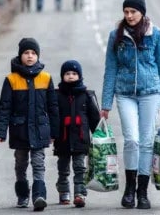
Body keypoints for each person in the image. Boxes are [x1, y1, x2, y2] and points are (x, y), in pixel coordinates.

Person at [100, 0, 160, 210]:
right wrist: (105, 104)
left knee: (147, 141)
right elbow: (110, 69)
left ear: (142, 12)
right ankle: (129, 189)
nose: (129, 15)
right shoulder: (116, 36)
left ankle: (143, 192)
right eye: (126, 11)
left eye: (133, 11)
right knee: (131, 140)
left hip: (151, 93)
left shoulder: (157, 35)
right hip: (125, 94)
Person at [0, 37, 60, 211]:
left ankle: (39, 195)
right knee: (21, 163)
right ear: (20, 55)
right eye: (26, 53)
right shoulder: (11, 79)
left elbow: (53, 107)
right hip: (19, 130)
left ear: (37, 56)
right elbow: (4, 107)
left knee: (38, 163)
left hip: (39, 130)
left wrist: (54, 131)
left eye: (33, 53)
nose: (30, 56)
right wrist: (0, 133)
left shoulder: (46, 78)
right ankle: (22, 195)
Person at [53, 60, 100, 208]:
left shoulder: (86, 95)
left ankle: (80, 194)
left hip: (80, 140)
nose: (71, 76)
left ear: (79, 76)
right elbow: (52, 117)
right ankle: (63, 191)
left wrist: (98, 135)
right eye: (67, 74)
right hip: (63, 139)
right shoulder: (57, 95)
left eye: (74, 73)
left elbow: (94, 118)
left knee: (80, 168)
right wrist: (51, 134)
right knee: (63, 168)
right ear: (62, 76)